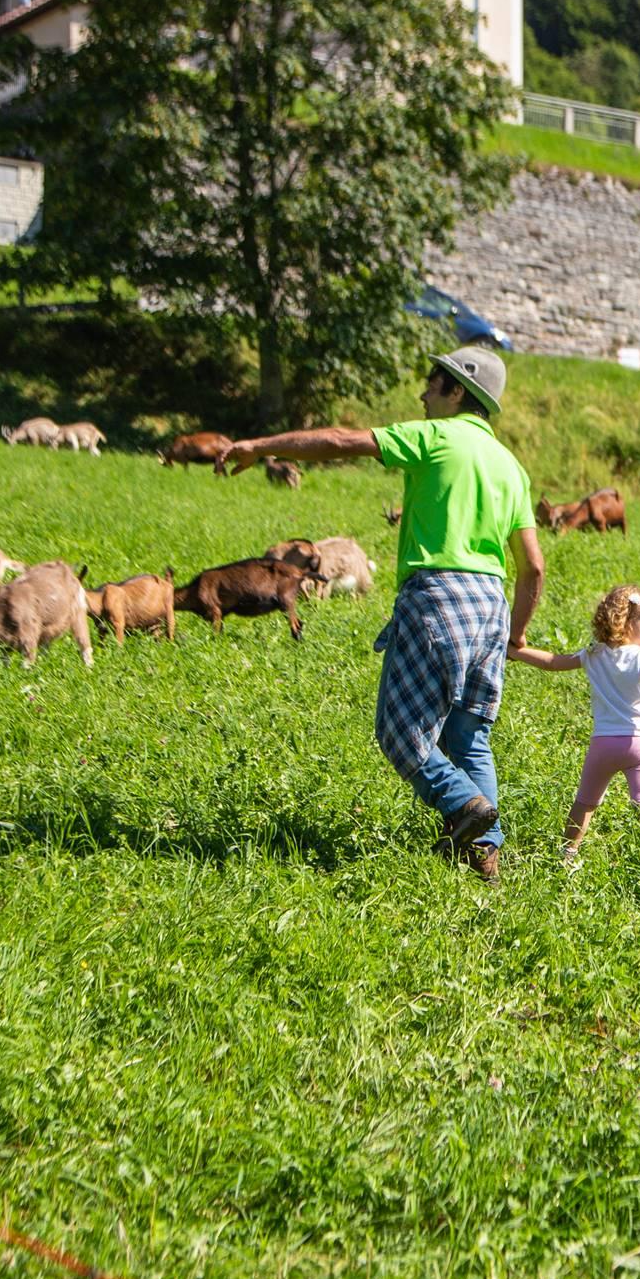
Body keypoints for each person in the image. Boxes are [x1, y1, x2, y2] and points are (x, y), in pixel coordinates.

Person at [219, 346, 541, 880]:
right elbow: (533, 566)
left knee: (400, 734)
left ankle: (464, 805)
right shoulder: (511, 466)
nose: (422, 393)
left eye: (432, 383)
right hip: (492, 604)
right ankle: (486, 859)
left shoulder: (436, 436)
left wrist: (259, 445)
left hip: (438, 594)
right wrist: (518, 633)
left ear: (458, 390)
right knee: (468, 737)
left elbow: (343, 441)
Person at [512, 584, 640, 864]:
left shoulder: (592, 654)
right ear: (628, 623)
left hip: (603, 745)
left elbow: (551, 662)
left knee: (585, 803)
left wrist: (515, 652)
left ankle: (568, 854)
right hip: (639, 744)